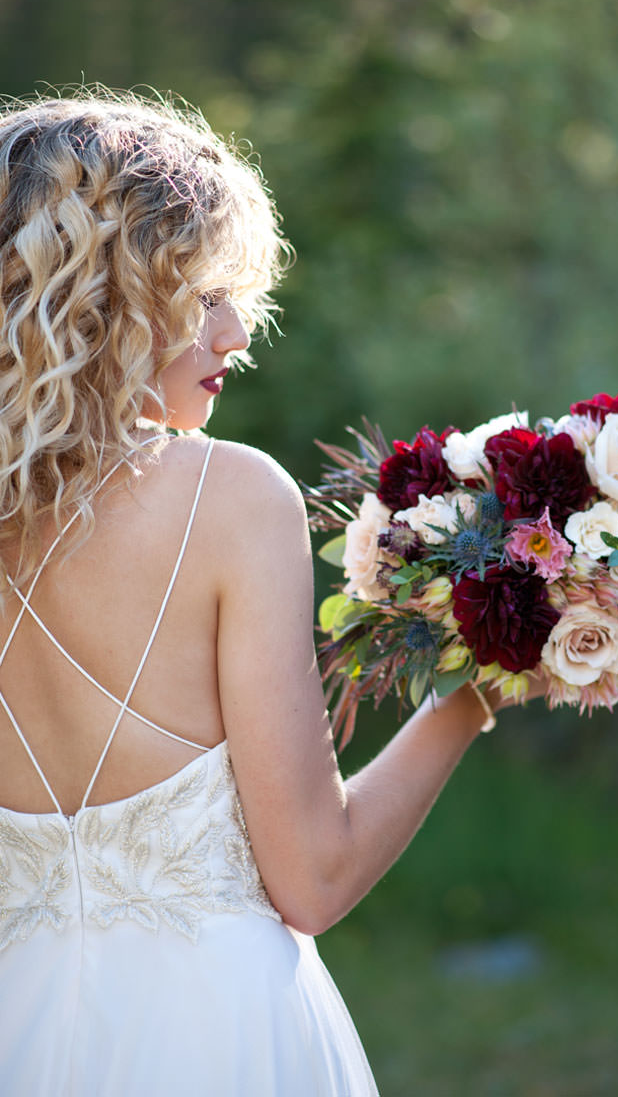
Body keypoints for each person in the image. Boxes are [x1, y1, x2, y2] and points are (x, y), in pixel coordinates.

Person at [0, 90, 510, 1095]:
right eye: (199, 293)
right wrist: (479, 686)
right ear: (99, 301)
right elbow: (313, 878)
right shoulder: (227, 497)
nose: (237, 332)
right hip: (215, 1033)